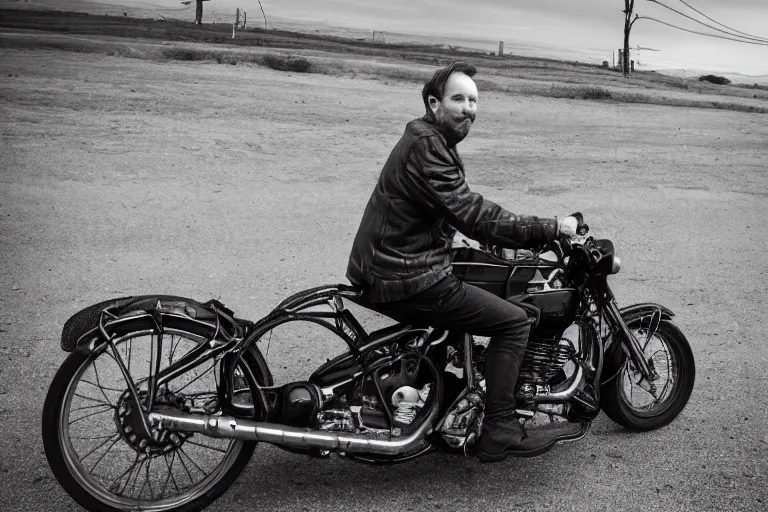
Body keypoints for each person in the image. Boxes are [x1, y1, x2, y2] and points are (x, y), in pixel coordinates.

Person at [346, 61, 578, 462]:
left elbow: (454, 212)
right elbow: (472, 213)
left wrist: (501, 242)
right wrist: (551, 227)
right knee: (514, 321)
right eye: (459, 99)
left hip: (401, 263)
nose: (469, 108)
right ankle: (500, 427)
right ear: (434, 103)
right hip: (404, 274)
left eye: (474, 100)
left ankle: (452, 395)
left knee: (480, 282)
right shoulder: (426, 145)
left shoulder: (429, 140)